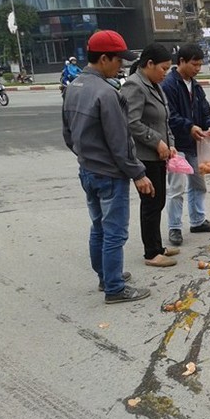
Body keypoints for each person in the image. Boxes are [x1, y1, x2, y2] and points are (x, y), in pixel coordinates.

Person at [62, 30, 153, 304]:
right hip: (109, 175)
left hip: (87, 170)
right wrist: (138, 173)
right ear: (104, 59)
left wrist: (85, 157)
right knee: (115, 231)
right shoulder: (106, 93)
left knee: (98, 227)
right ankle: (114, 288)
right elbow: (120, 142)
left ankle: (105, 276)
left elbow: (68, 135)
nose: (122, 66)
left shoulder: (73, 87)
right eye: (118, 61)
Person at [122, 43, 179, 267]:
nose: (165, 73)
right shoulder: (134, 86)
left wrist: (170, 143)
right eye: (163, 68)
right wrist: (156, 142)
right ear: (149, 64)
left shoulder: (154, 85)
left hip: (159, 154)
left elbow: (164, 120)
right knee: (151, 203)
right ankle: (151, 253)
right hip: (145, 156)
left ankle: (158, 245)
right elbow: (130, 122)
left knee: (159, 200)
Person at [162, 43, 210, 247]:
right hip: (176, 145)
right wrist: (189, 127)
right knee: (177, 188)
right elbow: (169, 116)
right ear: (181, 62)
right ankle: (175, 228)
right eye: (194, 64)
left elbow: (205, 112)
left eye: (200, 65)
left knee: (198, 184)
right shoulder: (169, 85)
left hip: (195, 145)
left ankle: (197, 221)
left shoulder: (195, 85)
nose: (198, 68)